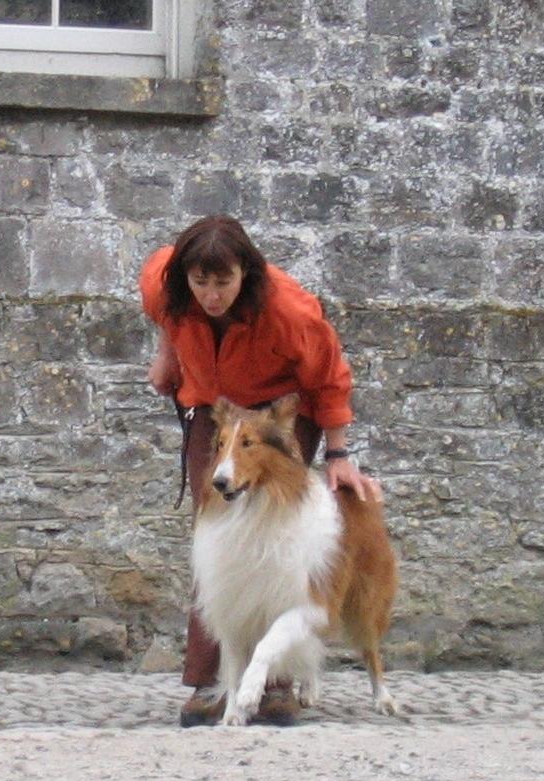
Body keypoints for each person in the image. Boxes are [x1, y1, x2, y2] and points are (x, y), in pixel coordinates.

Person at [138, 214, 383, 727]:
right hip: (214, 408)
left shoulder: (289, 311)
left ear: (245, 273)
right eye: (200, 282)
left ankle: (274, 685)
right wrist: (168, 356)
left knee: (280, 540)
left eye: (223, 281)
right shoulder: (163, 280)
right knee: (215, 542)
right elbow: (164, 313)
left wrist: (337, 456)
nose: (211, 295)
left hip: (280, 416)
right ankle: (211, 682)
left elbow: (331, 376)